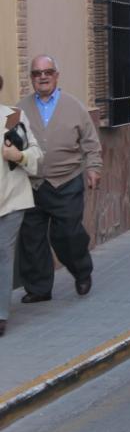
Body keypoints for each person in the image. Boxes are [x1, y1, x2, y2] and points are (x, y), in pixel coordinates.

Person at [18, 55, 103, 302]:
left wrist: (93, 168)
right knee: (31, 239)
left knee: (67, 233)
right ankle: (39, 288)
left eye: (48, 72)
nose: (42, 77)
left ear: (56, 75)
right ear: (31, 78)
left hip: (67, 181)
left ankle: (81, 271)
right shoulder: (20, 108)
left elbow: (90, 141)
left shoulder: (74, 106)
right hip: (32, 182)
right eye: (36, 73)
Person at [0, 74, 43, 335]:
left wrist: (19, 155)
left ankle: (1, 315)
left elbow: (37, 153)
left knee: (2, 256)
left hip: (11, 200)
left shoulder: (13, 117)